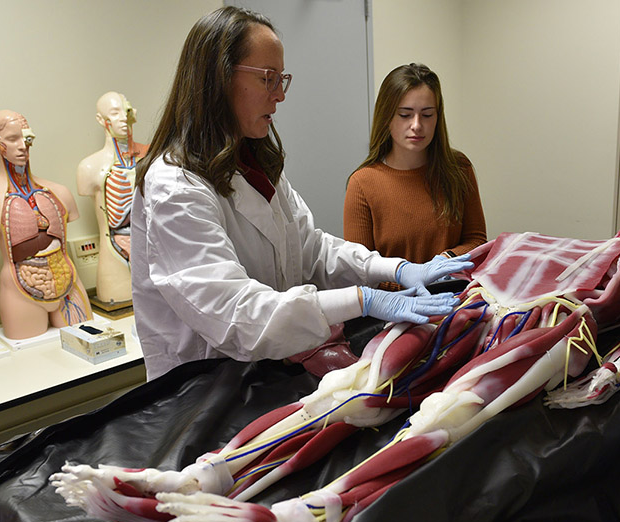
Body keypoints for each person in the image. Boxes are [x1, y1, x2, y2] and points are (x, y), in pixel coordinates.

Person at [131, 7, 468, 381]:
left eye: (282, 79)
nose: (280, 95)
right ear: (218, 80)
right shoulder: (174, 185)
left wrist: (393, 268)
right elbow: (238, 314)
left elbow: (310, 249)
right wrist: (363, 299)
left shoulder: (255, 161)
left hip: (265, 373)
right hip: (203, 389)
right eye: (267, 79)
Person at [344, 63, 486, 271]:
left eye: (427, 115)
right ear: (387, 117)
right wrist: (410, 277)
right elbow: (359, 270)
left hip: (455, 296)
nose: (417, 125)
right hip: (394, 301)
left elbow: (477, 240)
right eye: (405, 114)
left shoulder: (459, 169)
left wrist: (447, 260)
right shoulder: (363, 183)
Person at [0, 110, 93, 340]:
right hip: (19, 293)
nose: (22, 146)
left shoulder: (59, 193)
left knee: (87, 346)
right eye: (12, 139)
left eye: (26, 139)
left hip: (68, 285)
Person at [77, 91, 148, 305]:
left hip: (153, 245)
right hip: (114, 251)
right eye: (115, 113)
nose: (123, 119)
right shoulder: (89, 167)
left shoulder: (152, 155)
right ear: (102, 120)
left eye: (126, 112)